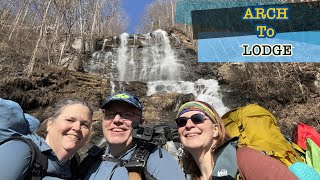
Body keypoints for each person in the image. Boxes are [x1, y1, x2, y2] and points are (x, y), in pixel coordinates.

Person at [175, 100, 298, 180]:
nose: (188, 125)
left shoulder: (244, 158)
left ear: (216, 130)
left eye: (197, 118)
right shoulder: (194, 177)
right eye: (181, 122)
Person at [83, 92, 185, 180]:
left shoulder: (159, 161)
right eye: (110, 114)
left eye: (127, 114)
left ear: (142, 123)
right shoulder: (91, 159)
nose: (117, 120)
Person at [0, 98, 93, 179]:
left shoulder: (73, 165)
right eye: (69, 120)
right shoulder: (20, 150)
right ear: (50, 124)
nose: (77, 128)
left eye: (85, 125)